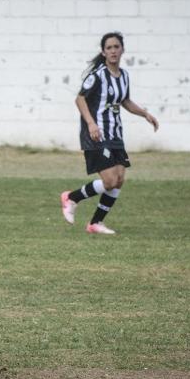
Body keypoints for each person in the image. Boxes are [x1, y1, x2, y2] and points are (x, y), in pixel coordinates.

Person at [60, 32, 160, 235]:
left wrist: (145, 114)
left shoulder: (124, 76)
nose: (113, 51)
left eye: (116, 47)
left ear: (122, 49)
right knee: (109, 181)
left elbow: (125, 101)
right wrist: (91, 124)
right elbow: (80, 99)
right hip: (97, 134)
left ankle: (95, 223)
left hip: (115, 134)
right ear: (103, 52)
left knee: (120, 179)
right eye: (109, 48)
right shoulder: (97, 75)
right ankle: (71, 198)